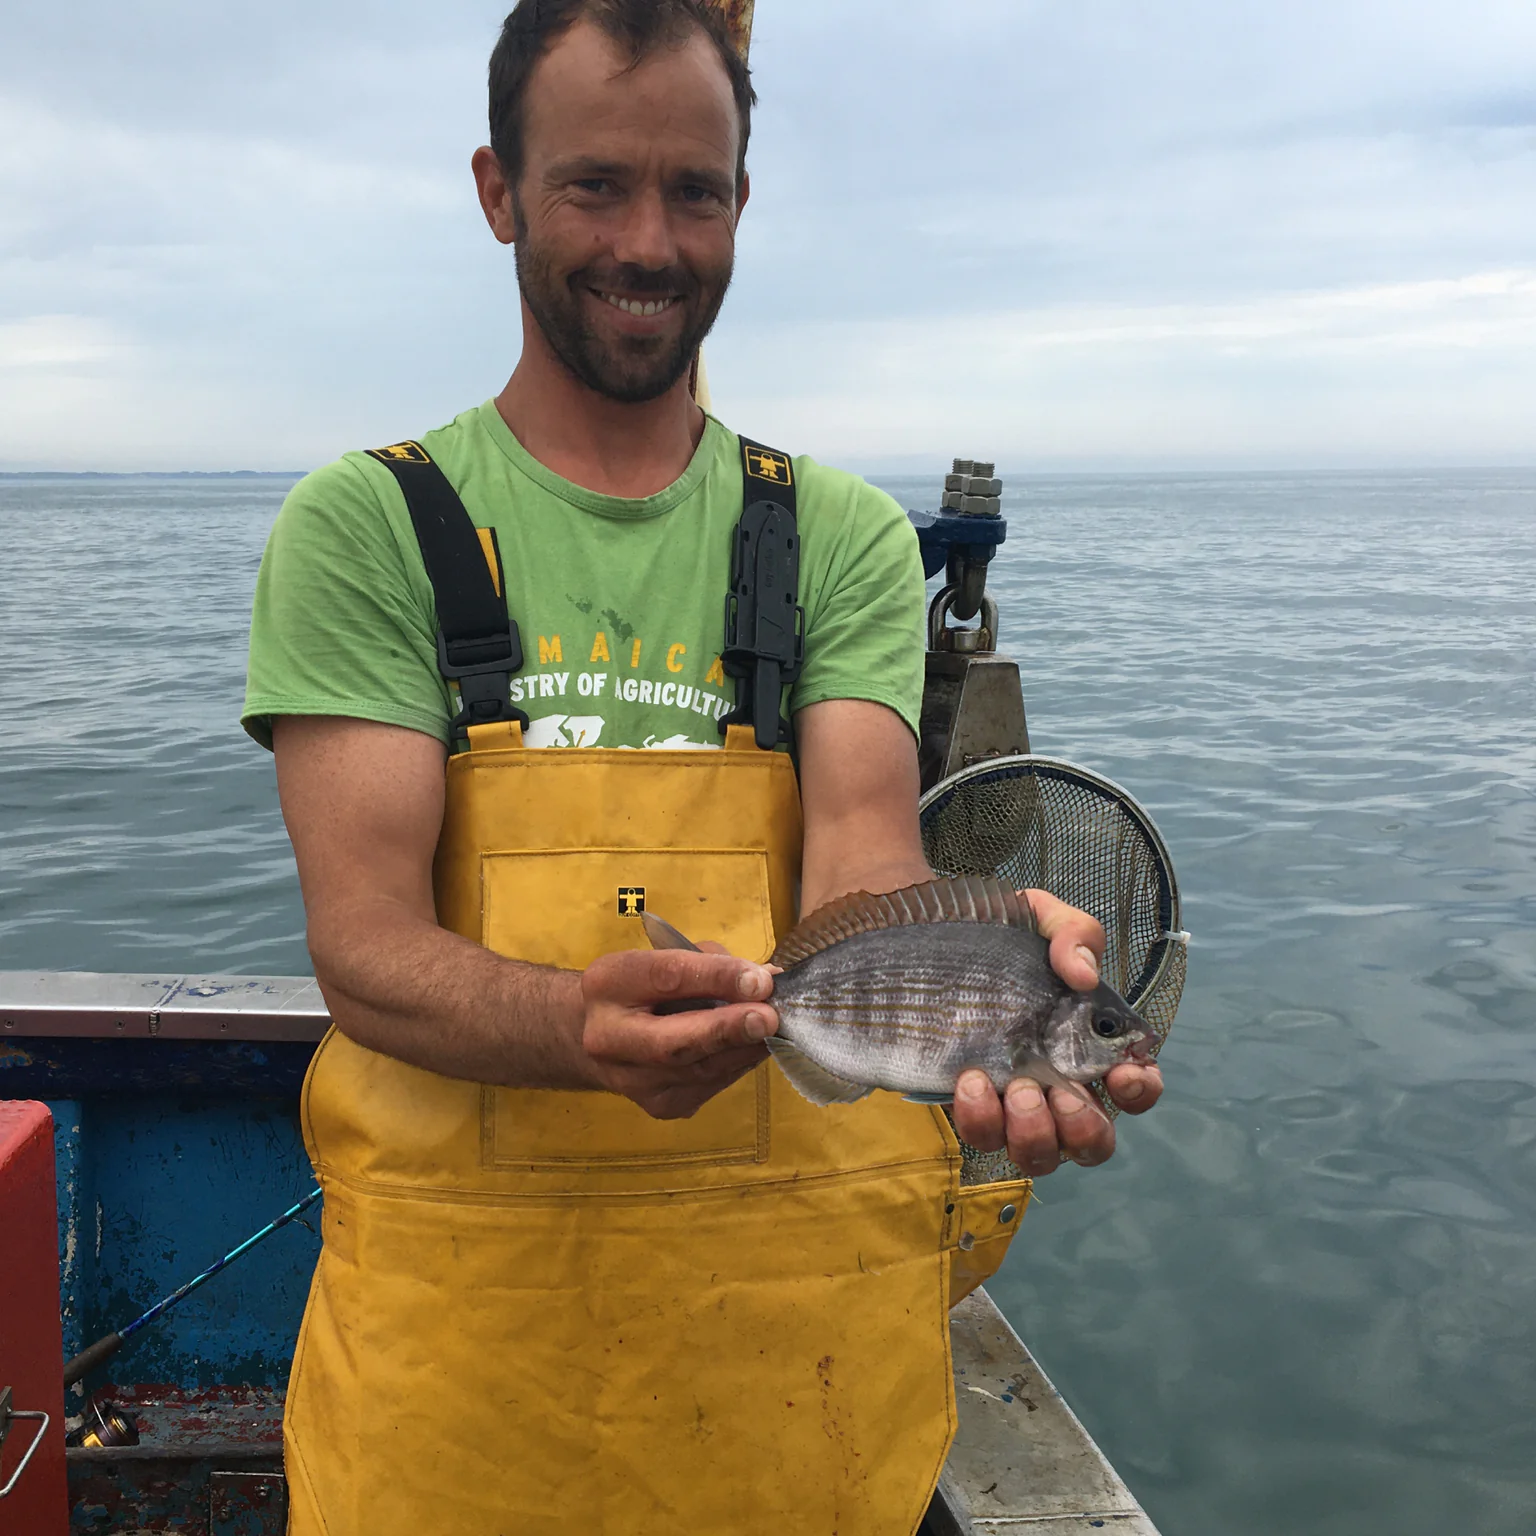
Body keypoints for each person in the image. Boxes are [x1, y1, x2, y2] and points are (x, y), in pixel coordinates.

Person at [242, 2, 1163, 1531]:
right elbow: (366, 952)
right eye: (595, 184)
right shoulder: (369, 527)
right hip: (462, 1398)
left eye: (697, 190)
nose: (650, 242)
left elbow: (864, 866)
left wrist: (1003, 949)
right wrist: (569, 1024)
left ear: (744, 200)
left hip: (799, 1389)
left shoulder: (843, 539)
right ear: (497, 191)